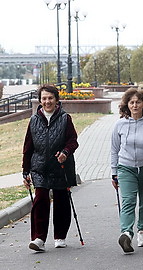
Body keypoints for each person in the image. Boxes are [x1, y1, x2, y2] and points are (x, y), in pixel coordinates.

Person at [22, 84, 79, 252]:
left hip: (60, 166)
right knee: (40, 200)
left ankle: (60, 236)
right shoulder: (34, 120)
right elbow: (28, 148)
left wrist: (65, 152)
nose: (47, 101)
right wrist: (25, 172)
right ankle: (39, 238)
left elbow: (73, 141)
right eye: (44, 98)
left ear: (56, 100)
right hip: (39, 167)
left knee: (61, 200)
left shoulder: (65, 118)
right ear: (40, 101)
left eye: (50, 98)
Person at [111, 88, 143, 253]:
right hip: (125, 167)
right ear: (127, 104)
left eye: (138, 102)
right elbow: (114, 149)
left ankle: (142, 230)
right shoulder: (120, 124)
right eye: (131, 102)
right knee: (128, 200)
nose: (134, 105)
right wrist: (114, 172)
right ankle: (126, 232)